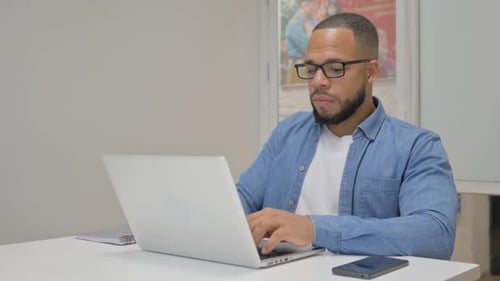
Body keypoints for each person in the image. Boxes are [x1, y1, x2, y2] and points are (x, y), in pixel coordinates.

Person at [236, 13, 458, 260]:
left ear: (371, 72)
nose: (318, 81)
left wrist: (314, 229)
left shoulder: (417, 147)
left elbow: (435, 235)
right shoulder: (288, 132)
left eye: (334, 68)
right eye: (311, 69)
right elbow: (241, 199)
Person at [285, 0, 321, 84]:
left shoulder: (312, 20)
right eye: (310, 4)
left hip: (311, 65)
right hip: (298, 66)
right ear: (303, 5)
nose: (313, 7)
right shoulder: (294, 24)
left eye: (314, 4)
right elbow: (308, 48)